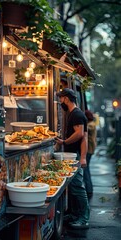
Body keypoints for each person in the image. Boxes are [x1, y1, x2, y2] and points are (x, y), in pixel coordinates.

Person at [56, 88, 90, 229]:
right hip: (74, 155)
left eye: (61, 98)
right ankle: (76, 214)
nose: (60, 101)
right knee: (75, 187)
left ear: (66, 98)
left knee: (77, 187)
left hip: (75, 155)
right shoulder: (73, 113)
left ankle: (83, 218)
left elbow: (80, 135)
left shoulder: (76, 114)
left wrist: (64, 142)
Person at [83, 110, 97, 199]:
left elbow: (84, 130)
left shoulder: (90, 125)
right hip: (90, 149)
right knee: (86, 169)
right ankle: (89, 189)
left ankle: (89, 189)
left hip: (89, 149)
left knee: (86, 170)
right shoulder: (92, 124)